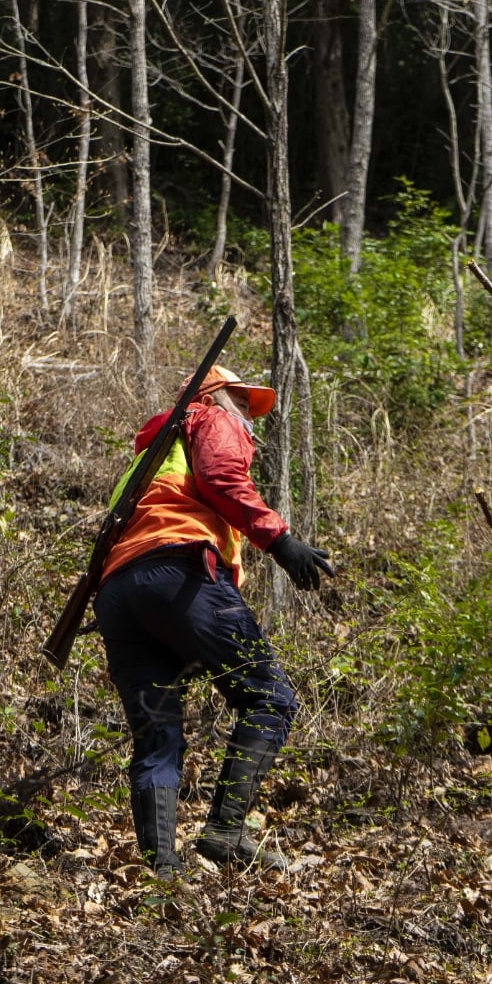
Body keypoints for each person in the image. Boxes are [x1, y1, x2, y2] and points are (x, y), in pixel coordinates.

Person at [94, 365, 334, 877]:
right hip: (179, 573)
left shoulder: (148, 456)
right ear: (216, 394)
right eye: (243, 403)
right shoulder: (208, 418)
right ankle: (226, 832)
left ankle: (161, 868)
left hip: (118, 593)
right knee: (271, 697)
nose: (249, 417)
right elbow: (223, 477)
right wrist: (281, 541)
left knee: (158, 732)